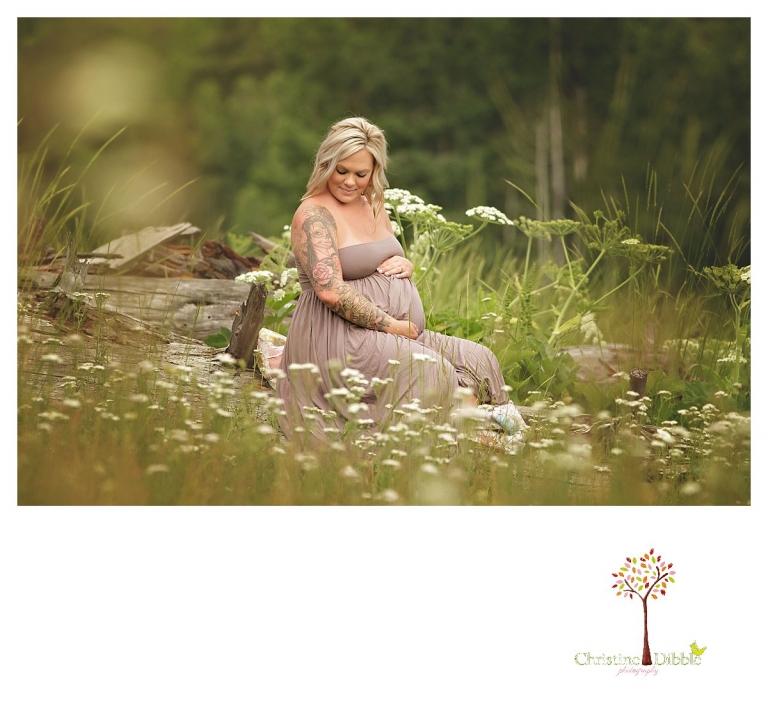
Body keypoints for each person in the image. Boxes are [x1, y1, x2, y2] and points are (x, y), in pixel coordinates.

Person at [273, 117, 525, 445]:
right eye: (341, 171)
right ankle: (450, 442)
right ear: (325, 165)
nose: (350, 182)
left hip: (389, 333)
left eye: (360, 174)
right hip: (339, 336)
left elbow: (380, 257)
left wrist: (405, 263)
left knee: (480, 360)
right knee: (432, 371)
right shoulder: (314, 215)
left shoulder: (372, 204)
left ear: (374, 172)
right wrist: (391, 325)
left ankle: (476, 435)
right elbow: (330, 291)